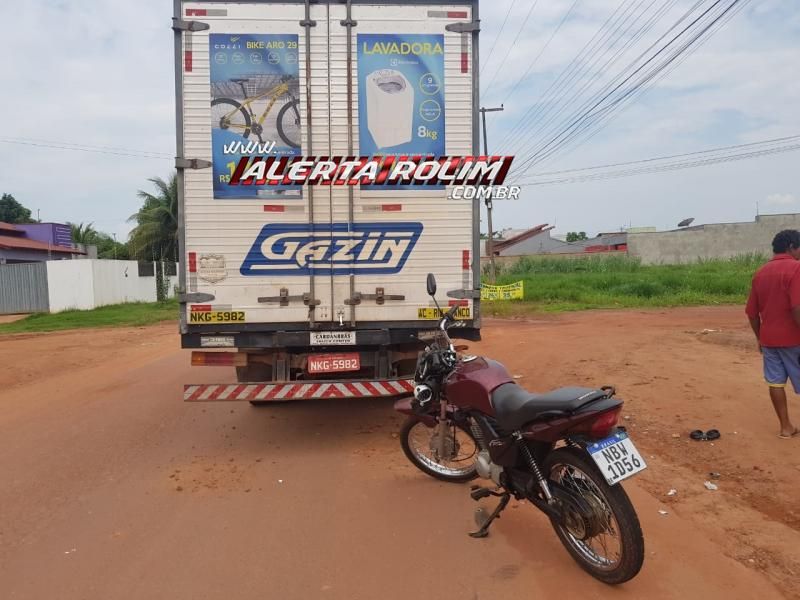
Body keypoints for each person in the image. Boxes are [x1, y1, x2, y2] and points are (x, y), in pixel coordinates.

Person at [746, 229, 800, 438]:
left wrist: (760, 337)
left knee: (775, 382)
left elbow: (751, 313)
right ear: (791, 247)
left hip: (769, 340)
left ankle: (785, 427)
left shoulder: (760, 273)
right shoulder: (796, 269)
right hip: (794, 339)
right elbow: (797, 308)